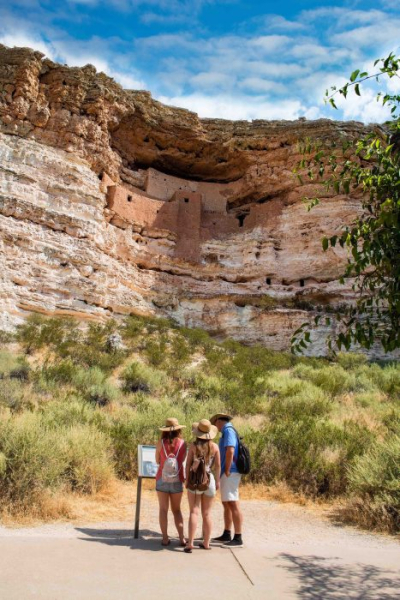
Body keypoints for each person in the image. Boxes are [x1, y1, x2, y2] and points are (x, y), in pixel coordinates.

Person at [184, 419, 221, 553]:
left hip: (195, 481)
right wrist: (217, 481)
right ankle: (206, 542)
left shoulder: (193, 446)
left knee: (194, 511)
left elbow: (188, 464)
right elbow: (218, 466)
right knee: (207, 513)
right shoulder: (215, 447)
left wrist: (187, 480)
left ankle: (191, 543)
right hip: (209, 480)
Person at [210, 413, 244, 548]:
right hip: (228, 471)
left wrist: (228, 469)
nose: (215, 426)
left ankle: (238, 537)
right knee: (227, 503)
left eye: (215, 423)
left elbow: (230, 450)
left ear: (219, 421)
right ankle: (227, 533)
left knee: (233, 503)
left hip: (230, 472)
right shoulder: (227, 431)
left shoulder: (228, 430)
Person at [155, 417, 187, 547]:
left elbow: (157, 460)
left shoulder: (160, 443)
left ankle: (164, 538)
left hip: (162, 478)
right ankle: (181, 538)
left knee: (163, 509)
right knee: (177, 510)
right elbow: (183, 459)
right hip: (177, 479)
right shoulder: (183, 444)